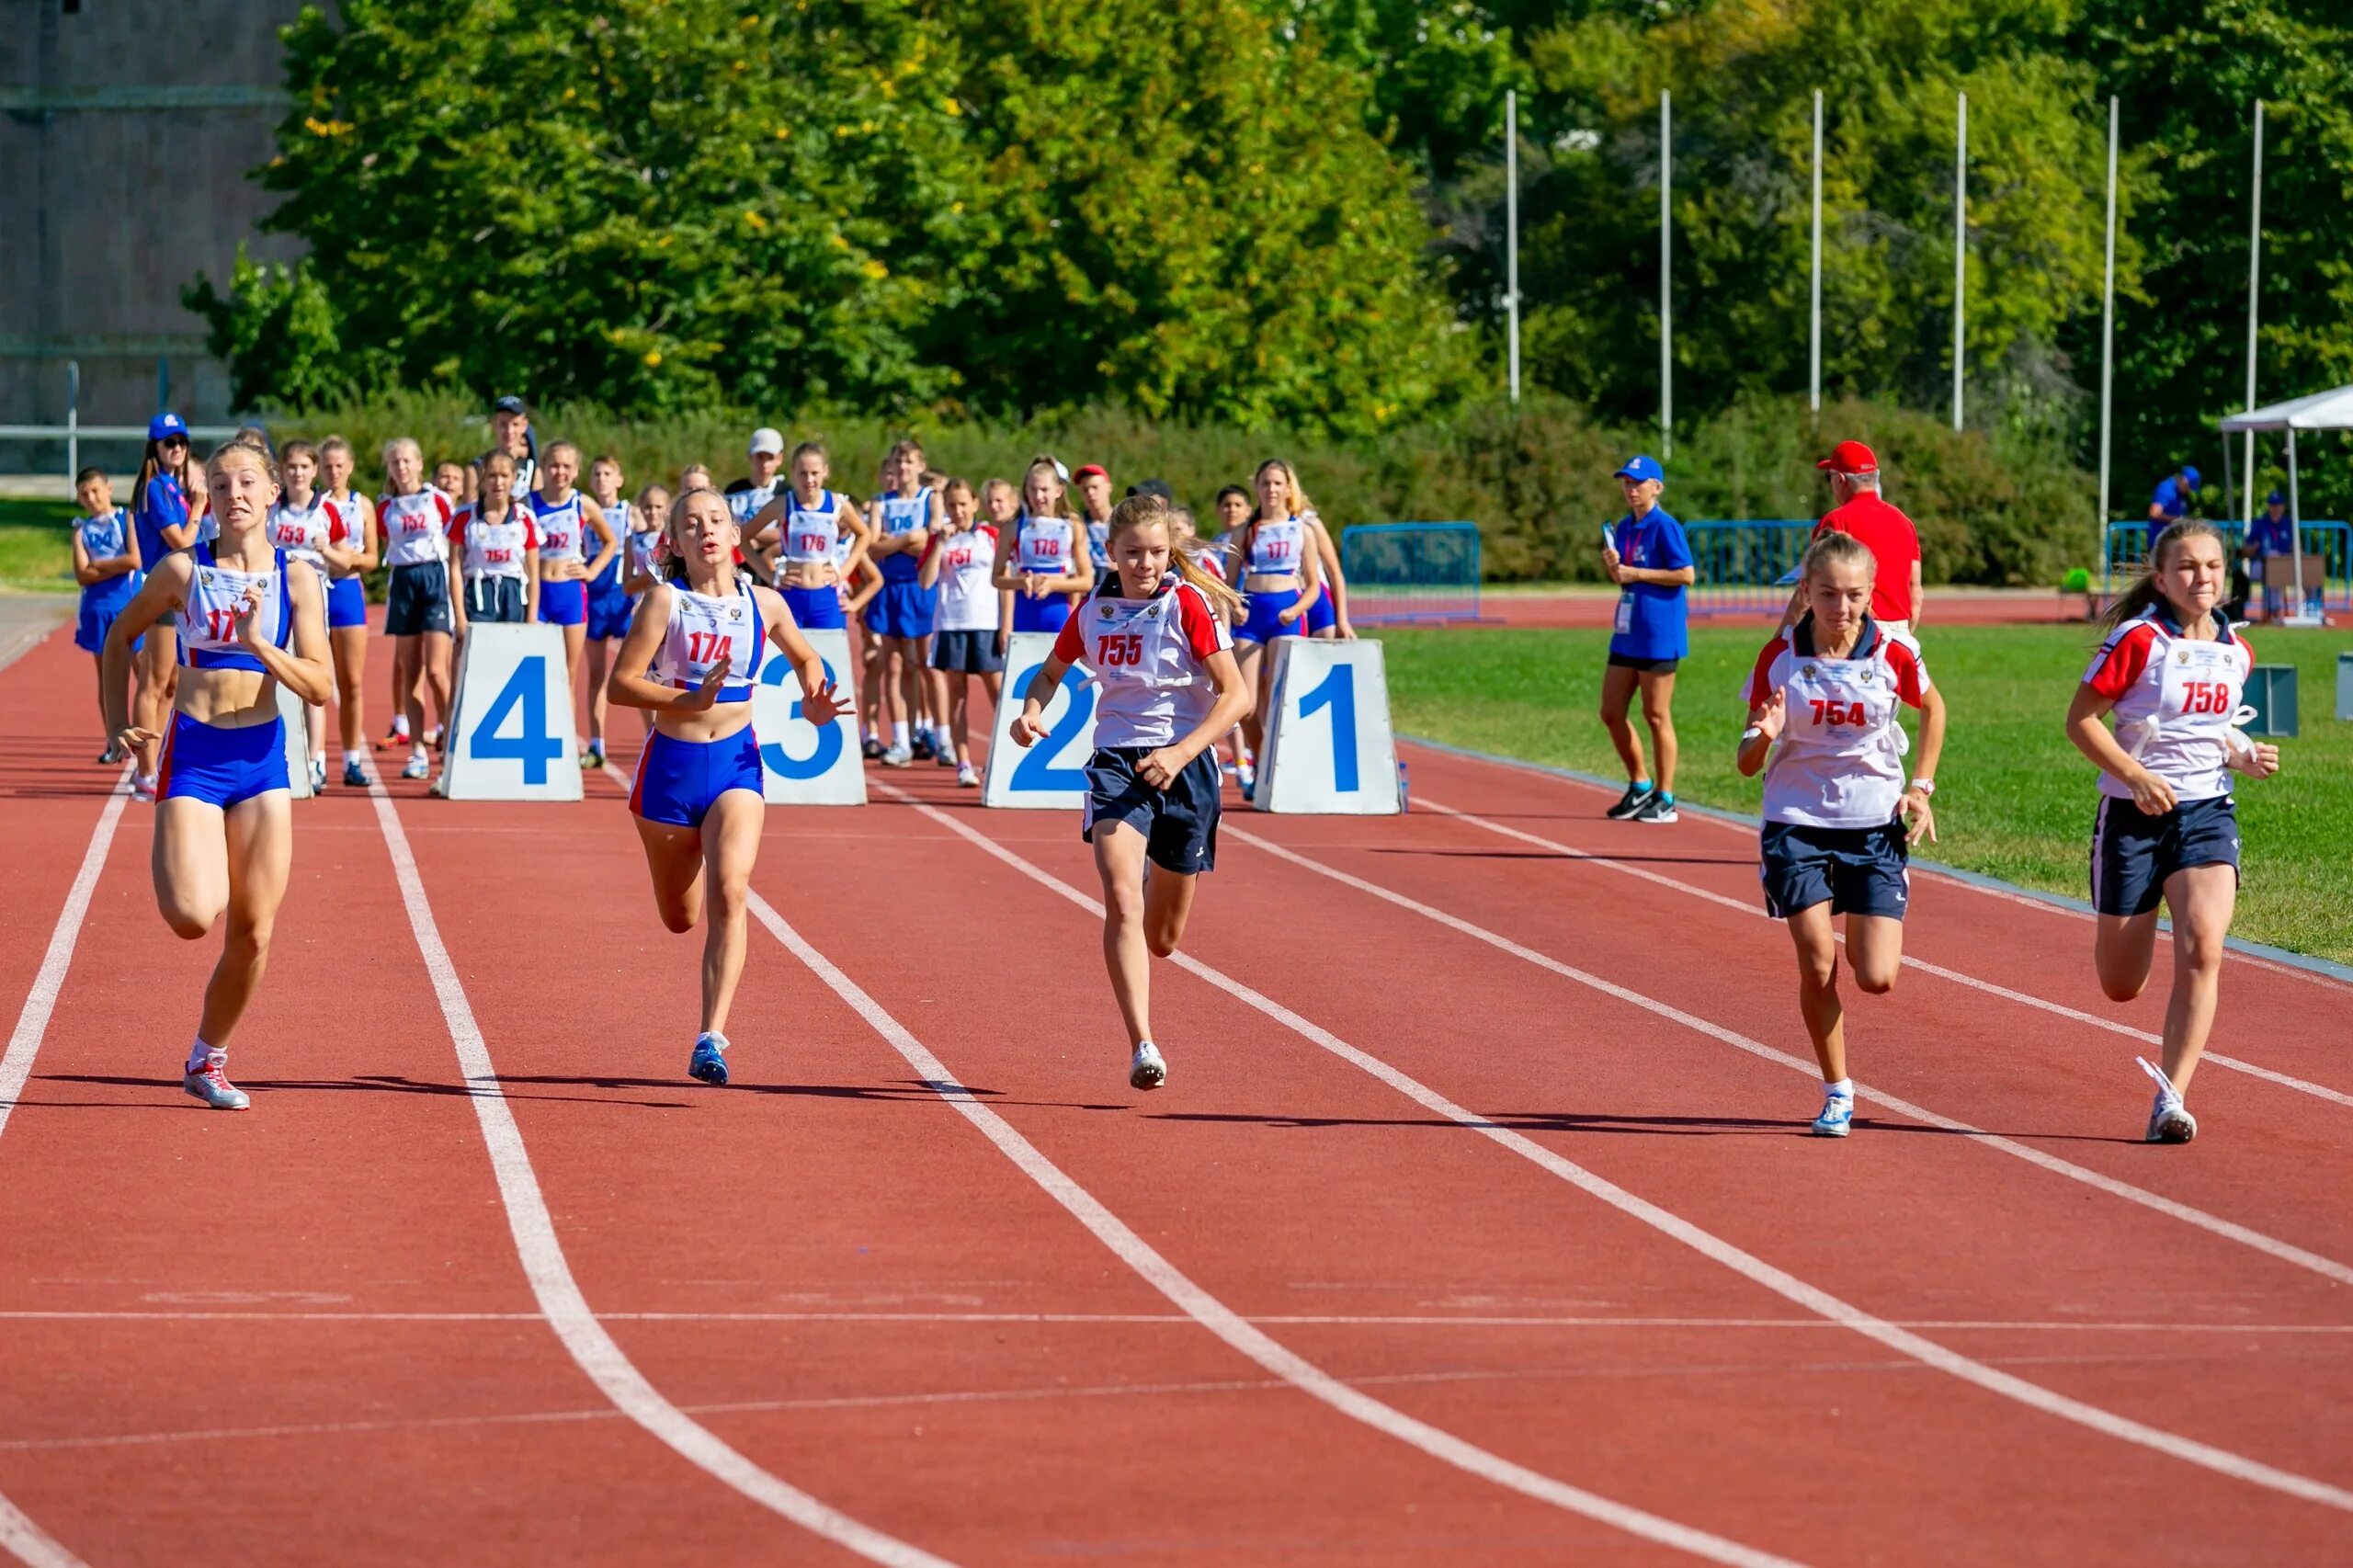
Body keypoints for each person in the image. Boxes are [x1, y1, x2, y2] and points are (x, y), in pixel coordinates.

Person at [100, 436, 334, 1111]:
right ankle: (187, 850)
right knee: (192, 916)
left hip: (263, 759)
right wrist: (116, 719)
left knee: (255, 932)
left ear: (270, 495)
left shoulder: (297, 578)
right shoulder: (182, 570)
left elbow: (319, 687)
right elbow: (121, 638)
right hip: (196, 755)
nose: (236, 495)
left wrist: (262, 645)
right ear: (209, 496)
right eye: (223, 485)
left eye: (247, 484)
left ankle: (208, 1058)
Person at [1009, 494, 1251, 1090]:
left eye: (1156, 552)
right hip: (1117, 760)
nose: (1145, 564)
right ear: (1111, 553)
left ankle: (1151, 891)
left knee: (1163, 939)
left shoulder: (1186, 603)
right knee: (1120, 897)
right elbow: (1049, 670)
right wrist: (1030, 710)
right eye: (1133, 553)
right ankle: (1142, 1043)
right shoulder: (1094, 607)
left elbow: (1237, 697)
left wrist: (1179, 754)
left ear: (1170, 552)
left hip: (1186, 764)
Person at [604, 486, 841, 1085]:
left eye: (716, 520)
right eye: (691, 523)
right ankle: (681, 914)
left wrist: (814, 697)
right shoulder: (665, 601)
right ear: (677, 543)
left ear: (736, 537)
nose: (706, 529)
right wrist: (688, 697)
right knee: (681, 917)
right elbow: (620, 685)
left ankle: (711, 1036)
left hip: (737, 764)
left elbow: (808, 660)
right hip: (669, 773)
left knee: (731, 890)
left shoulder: (766, 603)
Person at [2067, 518, 2279, 1143]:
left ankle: (2172, 1099)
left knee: (2204, 947)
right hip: (2133, 818)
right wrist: (2133, 774)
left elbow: (2213, 729)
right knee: (2120, 984)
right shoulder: (2139, 640)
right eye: (2188, 567)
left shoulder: (2237, 649)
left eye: (2212, 566)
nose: (2203, 578)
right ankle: (2133, 915)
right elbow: (2081, 721)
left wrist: (2243, 754)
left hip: (2206, 813)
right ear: (2162, 578)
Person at [1736, 530, 1945, 1138]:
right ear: (1807, 592)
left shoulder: (1893, 653)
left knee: (1875, 974)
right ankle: (1837, 1091)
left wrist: (1922, 788)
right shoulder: (1780, 657)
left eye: (1855, 595)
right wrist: (1766, 731)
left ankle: (1869, 909)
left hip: (1874, 823)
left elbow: (1934, 709)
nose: (1843, 608)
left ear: (1870, 595)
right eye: (1829, 594)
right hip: (1796, 823)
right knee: (1817, 960)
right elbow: (1747, 762)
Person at [1598, 455, 1694, 824]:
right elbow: (1624, 580)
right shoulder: (1624, 526)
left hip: (1658, 633)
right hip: (1627, 632)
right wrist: (1615, 569)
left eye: (1638, 482)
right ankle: (1640, 783)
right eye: (1626, 482)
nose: (1631, 489)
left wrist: (1635, 571)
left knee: (1656, 714)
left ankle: (1665, 796)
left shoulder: (1665, 526)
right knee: (1610, 712)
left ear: (1657, 487)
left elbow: (1686, 574)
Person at [1228, 458, 1326, 801]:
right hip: (1252, 616)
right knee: (1247, 705)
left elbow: (1314, 585)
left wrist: (1295, 610)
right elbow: (1227, 586)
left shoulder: (1303, 529)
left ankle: (1282, 770)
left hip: (1286, 613)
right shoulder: (1245, 531)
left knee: (1280, 699)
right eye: (1265, 483)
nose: (1271, 490)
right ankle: (1261, 761)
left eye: (1277, 483)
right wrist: (1236, 605)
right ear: (1257, 486)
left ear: (1288, 487)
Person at [525, 440, 620, 766]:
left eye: (567, 466)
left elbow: (610, 541)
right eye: (554, 465)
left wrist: (591, 570)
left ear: (576, 471)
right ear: (544, 469)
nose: (560, 472)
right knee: (533, 670)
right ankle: (534, 737)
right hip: (537, 594)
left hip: (569, 595)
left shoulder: (583, 504)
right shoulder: (528, 503)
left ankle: (564, 741)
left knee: (567, 673)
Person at [128, 413, 202, 799]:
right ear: (154, 448)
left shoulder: (173, 487)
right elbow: (181, 540)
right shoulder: (156, 488)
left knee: (171, 681)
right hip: (158, 590)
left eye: (182, 442)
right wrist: (202, 505)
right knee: (153, 682)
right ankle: (144, 770)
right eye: (168, 442)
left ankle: (150, 760)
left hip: (176, 592)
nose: (177, 448)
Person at [378, 437, 459, 782]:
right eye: (396, 462)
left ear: (420, 463)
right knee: (410, 673)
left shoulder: (438, 500)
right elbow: (387, 544)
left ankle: (448, 738)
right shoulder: (385, 508)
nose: (402, 467)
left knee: (438, 672)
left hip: (434, 578)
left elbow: (455, 544)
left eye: (407, 460)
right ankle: (417, 751)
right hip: (404, 583)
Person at [1787, 439, 1923, 641]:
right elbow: (1916, 590)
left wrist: (1781, 638)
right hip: (1899, 632)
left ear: (1840, 479)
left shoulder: (1835, 520)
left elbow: (1808, 591)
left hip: (1856, 632)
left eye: (1829, 477)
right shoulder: (1905, 522)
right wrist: (1904, 635)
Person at [263, 440, 339, 793]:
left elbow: (347, 557)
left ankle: (316, 758)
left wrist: (329, 551)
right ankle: (276, 754)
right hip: (275, 595)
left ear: (314, 470)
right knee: (275, 671)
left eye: (304, 467)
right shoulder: (270, 508)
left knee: (312, 674)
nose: (297, 473)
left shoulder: (327, 509)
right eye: (291, 467)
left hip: (312, 598)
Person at [921, 477, 1007, 786]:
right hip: (951, 624)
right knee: (957, 696)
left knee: (999, 695)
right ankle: (964, 763)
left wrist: (1005, 626)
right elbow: (926, 581)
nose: (958, 511)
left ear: (974, 504)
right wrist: (941, 542)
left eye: (962, 504)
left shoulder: (990, 536)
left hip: (986, 624)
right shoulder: (940, 539)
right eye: (951, 505)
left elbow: (1005, 581)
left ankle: (1003, 757)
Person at [865, 440, 942, 767]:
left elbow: (933, 539)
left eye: (909, 461)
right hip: (890, 589)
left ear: (920, 466)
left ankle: (940, 736)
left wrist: (893, 543)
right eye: (898, 461)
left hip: (921, 587)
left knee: (924, 664)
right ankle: (900, 738)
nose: (903, 467)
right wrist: (908, 540)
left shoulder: (931, 498)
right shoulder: (881, 502)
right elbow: (871, 545)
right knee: (893, 666)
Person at [748, 439, 872, 635]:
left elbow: (865, 534)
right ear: (793, 473)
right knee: (786, 662)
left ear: (825, 471)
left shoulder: (837, 504)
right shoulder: (782, 504)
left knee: (830, 661)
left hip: (826, 596)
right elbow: (743, 539)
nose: (809, 480)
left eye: (814, 473)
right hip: (790, 596)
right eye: (803, 473)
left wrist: (845, 570)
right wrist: (770, 575)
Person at [315, 435, 379, 789]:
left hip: (348, 591)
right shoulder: (314, 504)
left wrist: (349, 558)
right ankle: (317, 759)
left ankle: (352, 759)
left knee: (351, 682)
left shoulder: (362, 505)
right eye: (328, 466)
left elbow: (372, 558)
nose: (334, 472)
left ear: (351, 467)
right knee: (317, 680)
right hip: (316, 589)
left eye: (340, 465)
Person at [71, 466, 142, 763]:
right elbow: (81, 575)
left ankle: (150, 736)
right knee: (107, 679)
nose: (91, 497)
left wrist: (99, 566)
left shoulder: (125, 518)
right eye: (84, 493)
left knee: (145, 674)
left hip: (129, 605)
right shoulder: (82, 529)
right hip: (97, 610)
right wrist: (114, 564)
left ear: (109, 489)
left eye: (95, 490)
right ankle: (113, 740)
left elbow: (134, 559)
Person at [992, 457, 1094, 638]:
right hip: (1024, 614)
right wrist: (1021, 582)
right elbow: (996, 578)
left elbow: (1087, 581)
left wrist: (1053, 584)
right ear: (1026, 491)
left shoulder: (1072, 526)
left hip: (1059, 614)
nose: (1038, 496)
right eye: (1033, 489)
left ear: (1058, 491)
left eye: (1044, 490)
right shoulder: (1013, 528)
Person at [582, 454, 635, 768]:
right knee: (595, 675)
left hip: (624, 598)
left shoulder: (632, 513)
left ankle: (653, 739)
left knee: (642, 674)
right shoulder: (584, 512)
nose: (602, 479)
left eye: (607, 473)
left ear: (619, 479)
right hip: (595, 596)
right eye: (597, 474)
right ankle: (596, 744)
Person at [449, 449, 540, 629]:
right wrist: (460, 618)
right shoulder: (464, 517)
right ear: (482, 478)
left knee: (511, 654)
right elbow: (455, 569)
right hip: (478, 594)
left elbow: (533, 574)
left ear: (513, 478)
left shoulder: (524, 518)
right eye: (492, 476)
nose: (498, 482)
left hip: (513, 595)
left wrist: (531, 618)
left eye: (504, 476)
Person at [2240, 488, 2320, 622]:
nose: (2275, 508)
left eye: (2278, 505)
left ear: (2283, 507)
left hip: (2285, 565)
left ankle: (2310, 610)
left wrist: (2302, 557)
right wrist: (2254, 547)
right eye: (2272, 505)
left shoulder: (2288, 524)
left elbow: (2296, 548)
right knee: (2274, 576)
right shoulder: (2260, 524)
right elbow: (2245, 549)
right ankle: (2275, 612)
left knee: (2310, 577)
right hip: (2261, 566)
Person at [489, 394, 540, 499]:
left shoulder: (533, 469)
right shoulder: (480, 466)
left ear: (524, 425)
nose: (509, 431)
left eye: (515, 424)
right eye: (503, 424)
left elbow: (537, 509)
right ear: (494, 423)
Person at [2146, 463, 2200, 556]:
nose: (2189, 491)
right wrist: (2176, 520)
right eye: (2189, 487)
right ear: (2184, 481)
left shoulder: (2180, 493)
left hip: (2172, 543)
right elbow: (2154, 513)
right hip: (2160, 544)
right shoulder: (2166, 489)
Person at [1074, 463, 1116, 574]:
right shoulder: (1077, 524)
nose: (1090, 493)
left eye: (1095, 487)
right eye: (1085, 490)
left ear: (1109, 487)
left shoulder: (1124, 522)